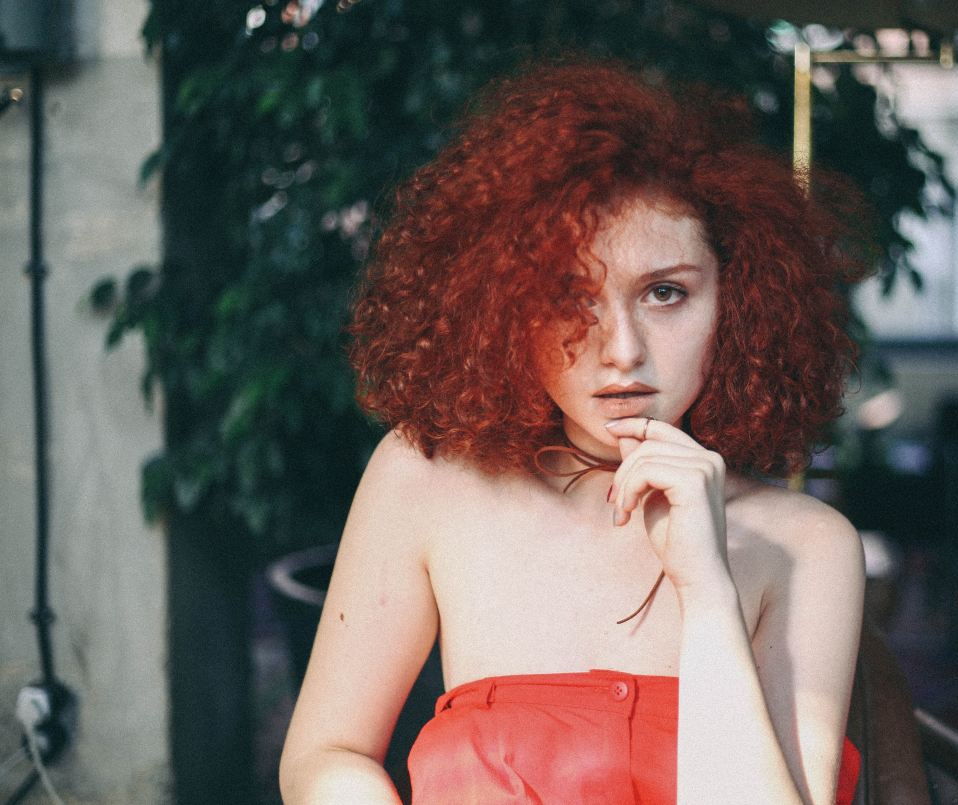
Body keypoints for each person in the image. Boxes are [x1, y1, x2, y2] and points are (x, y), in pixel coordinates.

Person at [279, 59, 868, 804]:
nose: (622, 349)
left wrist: (707, 588)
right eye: (571, 296)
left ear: (739, 298)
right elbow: (325, 755)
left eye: (665, 292)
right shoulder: (423, 477)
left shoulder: (805, 545)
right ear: (506, 306)